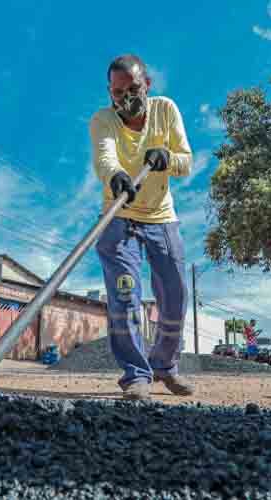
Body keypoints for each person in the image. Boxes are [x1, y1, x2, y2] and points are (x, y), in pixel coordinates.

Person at [90, 54, 195, 400]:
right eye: (118, 92)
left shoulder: (165, 110)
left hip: (161, 216)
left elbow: (187, 162)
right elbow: (105, 158)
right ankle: (137, 374)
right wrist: (116, 175)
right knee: (124, 295)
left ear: (147, 84)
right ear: (110, 92)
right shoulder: (102, 120)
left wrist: (166, 157)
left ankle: (164, 365)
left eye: (133, 88)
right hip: (118, 217)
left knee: (175, 294)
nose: (126, 98)